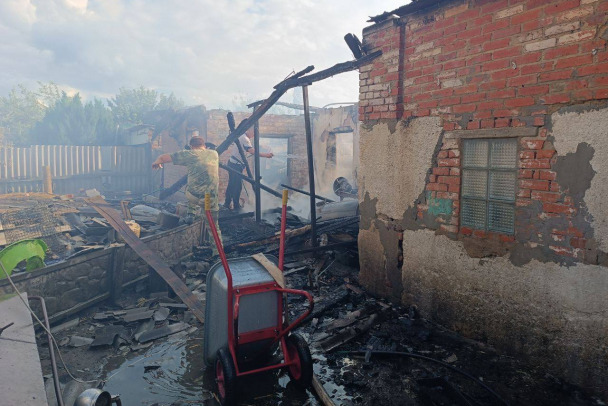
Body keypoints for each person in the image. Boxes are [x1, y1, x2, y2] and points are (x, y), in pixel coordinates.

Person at [152, 135, 221, 244]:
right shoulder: (214, 154)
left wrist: (157, 161)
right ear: (204, 145)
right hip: (208, 199)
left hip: (194, 197)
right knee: (213, 227)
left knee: (190, 187)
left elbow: (163, 157)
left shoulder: (190, 154)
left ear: (191, 146)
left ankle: (191, 214)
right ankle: (217, 252)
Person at [224, 128, 273, 210]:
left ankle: (227, 203)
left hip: (233, 164)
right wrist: (266, 155)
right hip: (235, 165)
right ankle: (236, 206)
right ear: (250, 131)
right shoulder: (245, 138)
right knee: (237, 186)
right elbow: (252, 151)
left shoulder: (242, 137)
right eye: (253, 134)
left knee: (232, 184)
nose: (253, 136)